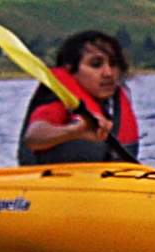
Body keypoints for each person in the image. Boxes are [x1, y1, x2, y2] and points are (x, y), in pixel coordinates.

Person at [16, 29, 142, 165]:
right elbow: (33, 137)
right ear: (71, 69)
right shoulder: (58, 102)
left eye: (113, 64)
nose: (108, 73)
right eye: (96, 64)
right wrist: (75, 131)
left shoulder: (114, 104)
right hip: (52, 175)